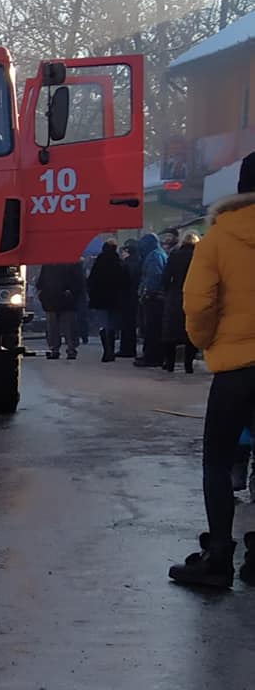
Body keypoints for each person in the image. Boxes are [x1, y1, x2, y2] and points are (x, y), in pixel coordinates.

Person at [169, 152, 255, 588]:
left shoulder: (219, 238)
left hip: (236, 370)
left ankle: (218, 557)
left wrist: (205, 342)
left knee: (218, 461)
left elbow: (199, 303)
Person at [161, 231, 200, 373]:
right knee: (191, 332)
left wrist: (168, 291)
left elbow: (165, 277)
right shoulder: (199, 256)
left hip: (175, 296)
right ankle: (188, 365)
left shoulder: (174, 255)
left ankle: (170, 364)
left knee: (170, 333)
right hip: (194, 294)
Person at [86, 238, 127, 362]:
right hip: (115, 299)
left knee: (104, 324)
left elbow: (91, 281)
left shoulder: (99, 262)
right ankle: (111, 351)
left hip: (100, 300)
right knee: (112, 325)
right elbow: (125, 282)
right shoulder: (119, 262)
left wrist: (92, 295)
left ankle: (106, 351)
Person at [36, 262, 84, 360]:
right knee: (65, 327)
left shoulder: (50, 263)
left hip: (56, 299)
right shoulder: (72, 262)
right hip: (59, 299)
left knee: (57, 327)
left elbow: (42, 280)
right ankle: (67, 349)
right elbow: (79, 280)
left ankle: (59, 349)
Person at [133, 233, 167, 368]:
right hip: (158, 297)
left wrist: (146, 292)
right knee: (153, 328)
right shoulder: (159, 254)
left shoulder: (153, 256)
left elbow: (154, 276)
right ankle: (153, 355)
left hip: (153, 298)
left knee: (152, 328)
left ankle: (152, 357)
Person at [116, 239, 142, 358]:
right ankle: (129, 348)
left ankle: (126, 349)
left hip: (127, 297)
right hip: (134, 297)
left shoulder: (128, 263)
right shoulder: (138, 261)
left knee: (126, 325)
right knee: (131, 325)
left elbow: (124, 280)